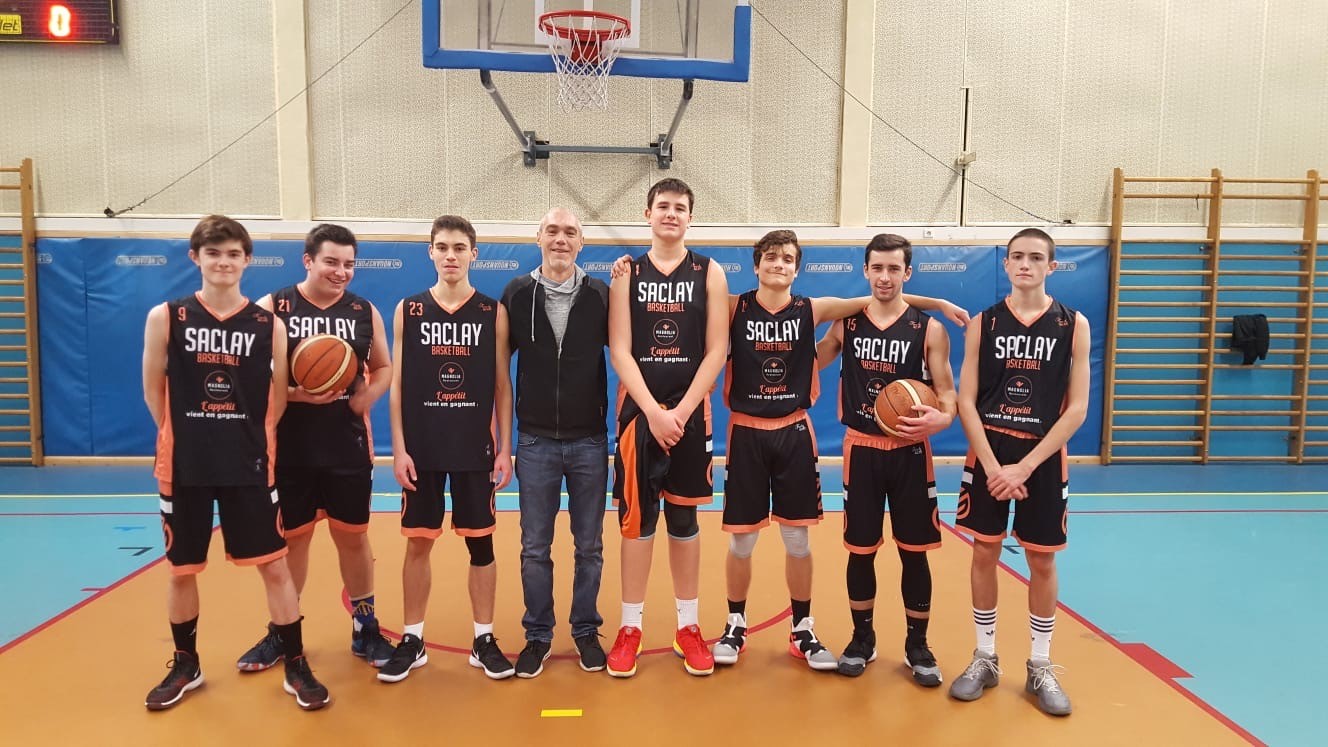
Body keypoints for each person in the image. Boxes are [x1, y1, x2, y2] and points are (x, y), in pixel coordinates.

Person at [142, 214, 329, 711]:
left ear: (247, 260)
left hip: (249, 464)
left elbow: (278, 397)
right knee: (181, 570)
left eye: (232, 254)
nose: (223, 263)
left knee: (275, 566)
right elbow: (152, 388)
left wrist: (245, 437)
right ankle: (186, 663)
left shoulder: (268, 325)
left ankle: (295, 662)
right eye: (213, 253)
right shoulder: (167, 317)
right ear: (196, 258)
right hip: (184, 466)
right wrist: (183, 434)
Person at [235, 224, 395, 673]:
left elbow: (384, 367)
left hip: (347, 446)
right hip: (290, 448)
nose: (341, 271)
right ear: (307, 260)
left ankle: (365, 627)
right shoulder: (274, 307)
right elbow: (247, 374)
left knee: (353, 538)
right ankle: (283, 633)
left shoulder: (363, 311)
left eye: (348, 264)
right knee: (293, 541)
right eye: (331, 262)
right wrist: (292, 393)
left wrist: (366, 397)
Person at [947, 228, 1090, 717]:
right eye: (1017, 257)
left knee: (1042, 560)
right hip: (989, 450)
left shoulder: (1073, 324)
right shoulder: (983, 323)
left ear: (1052, 266)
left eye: (1035, 257)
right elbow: (966, 400)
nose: (1025, 264)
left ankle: (1041, 664)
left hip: (1043, 456)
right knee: (984, 551)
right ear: (1005, 264)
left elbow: (1077, 408)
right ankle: (985, 657)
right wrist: (993, 467)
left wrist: (1024, 467)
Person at [376, 215, 516, 683]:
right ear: (431, 253)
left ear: (474, 254)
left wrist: (505, 449)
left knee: (482, 544)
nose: (450, 255)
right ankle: (413, 639)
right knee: (418, 543)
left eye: (459, 247)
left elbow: (502, 384)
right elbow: (397, 385)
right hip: (423, 449)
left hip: (475, 448)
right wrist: (399, 449)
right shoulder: (409, 310)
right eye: (442, 247)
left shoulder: (492, 312)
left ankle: (483, 639)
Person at [815, 233, 959, 686]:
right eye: (877, 267)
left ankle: (918, 645)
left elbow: (948, 393)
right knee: (860, 551)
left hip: (910, 452)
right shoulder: (847, 323)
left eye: (894, 268)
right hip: (861, 449)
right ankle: (863, 639)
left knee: (914, 552)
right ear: (865, 270)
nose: (884, 276)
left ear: (907, 273)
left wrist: (942, 418)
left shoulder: (929, 330)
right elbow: (811, 361)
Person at [606, 178, 729, 677]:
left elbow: (716, 350)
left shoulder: (710, 271)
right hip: (640, 415)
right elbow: (620, 350)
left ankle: (688, 626)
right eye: (663, 206)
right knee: (637, 524)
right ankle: (630, 627)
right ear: (647, 214)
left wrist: (679, 413)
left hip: (690, 415)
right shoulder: (626, 274)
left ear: (690, 218)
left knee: (683, 521)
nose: (671, 214)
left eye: (680, 207)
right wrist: (654, 413)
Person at [500, 208, 610, 678]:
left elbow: (628, 354)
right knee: (534, 547)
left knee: (589, 546)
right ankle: (538, 634)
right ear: (538, 238)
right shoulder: (516, 293)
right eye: (552, 231)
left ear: (581, 243)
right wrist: (501, 442)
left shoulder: (602, 293)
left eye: (570, 232)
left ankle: (585, 630)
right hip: (535, 441)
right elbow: (497, 372)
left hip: (590, 441)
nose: (560, 239)